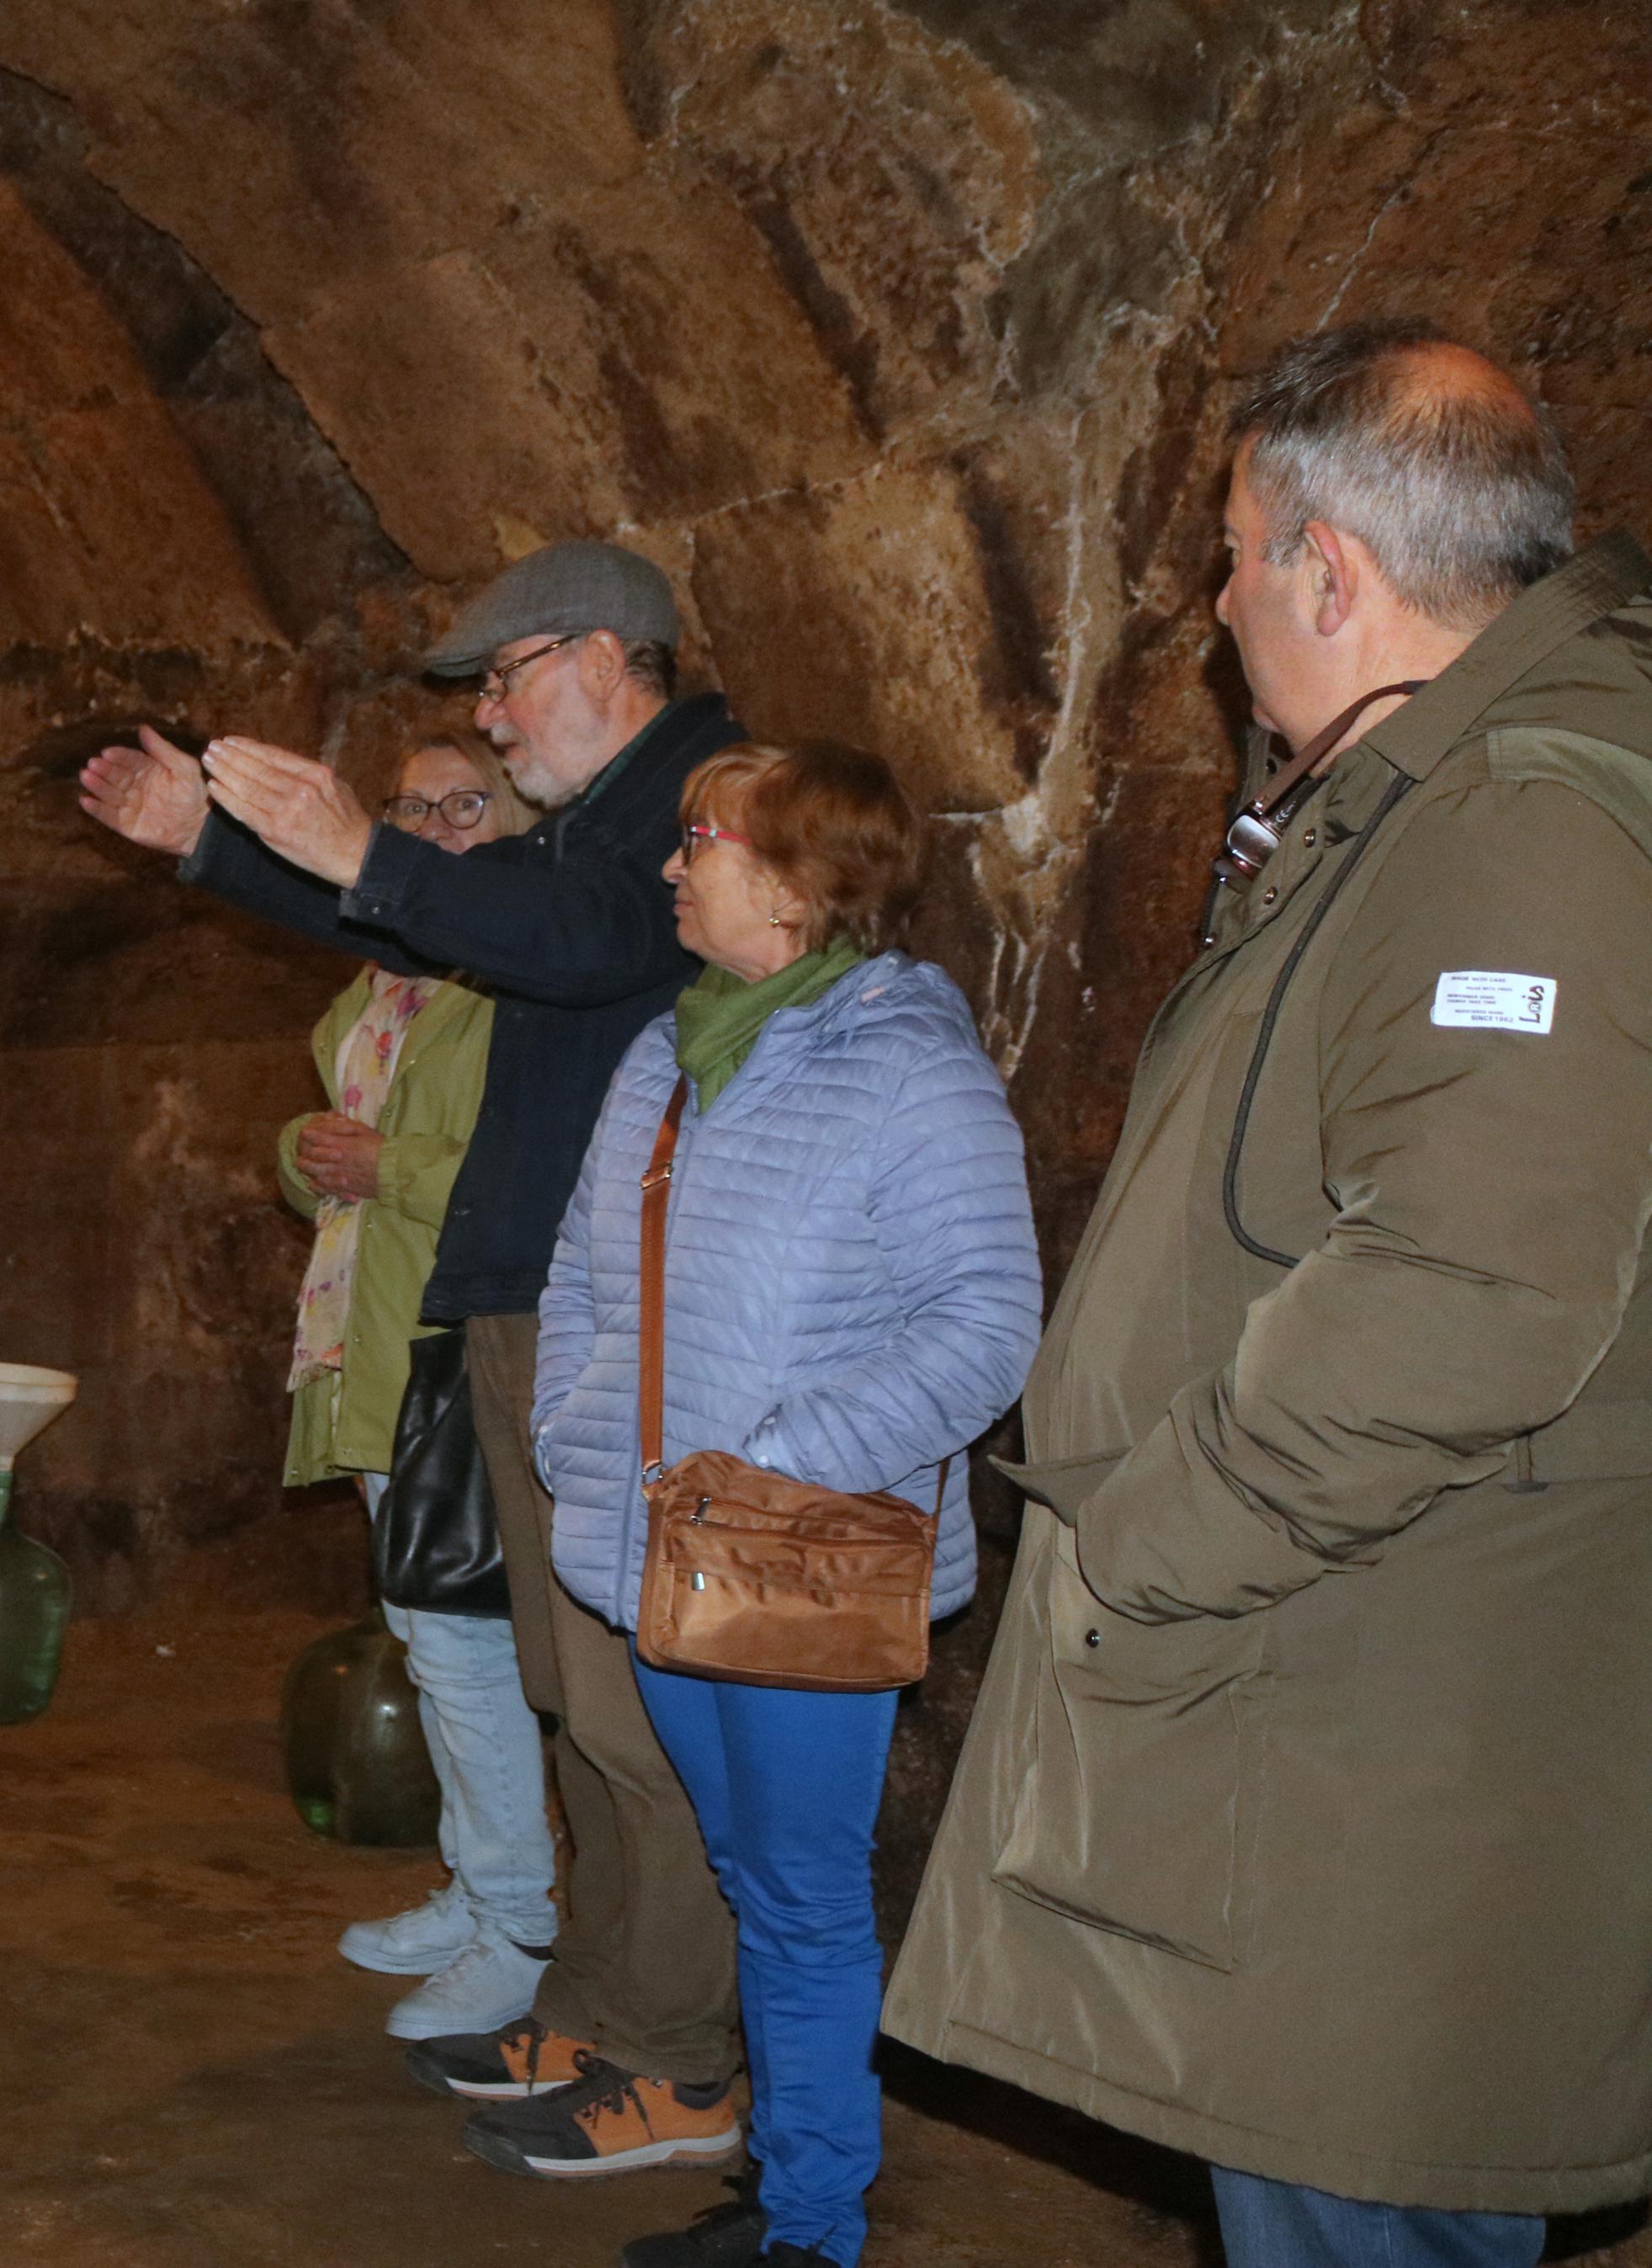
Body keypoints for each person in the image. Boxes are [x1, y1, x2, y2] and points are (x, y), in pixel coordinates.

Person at [887, 325, 1652, 2263]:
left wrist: (1147, 1534)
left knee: (1359, 2207)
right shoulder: (1413, 787)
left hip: (1375, 1724)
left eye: (1237, 550)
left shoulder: (1519, 830)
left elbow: (1466, 1285)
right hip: (1335, 1686)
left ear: (1333, 572)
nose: (1218, 602)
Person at [82, 541, 749, 2161]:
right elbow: (467, 928)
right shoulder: (603, 815)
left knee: (628, 1703)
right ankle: (602, 2004)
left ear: (602, 658)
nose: (496, 721)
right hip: (538, 1295)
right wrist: (216, 848)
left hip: (617, 1312)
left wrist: (361, 843)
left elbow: (578, 942)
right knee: (573, 1695)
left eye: (507, 681)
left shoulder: (693, 803)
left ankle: (684, 2060)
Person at [524, 745, 1038, 2261]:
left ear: (806, 881)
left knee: (802, 1895)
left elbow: (983, 1322)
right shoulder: (668, 1052)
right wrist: (574, 1430)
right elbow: (579, 1272)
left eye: (702, 843)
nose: (674, 868)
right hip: (668, 1554)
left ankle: (814, 2223)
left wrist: (780, 1462)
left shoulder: (908, 1069)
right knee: (753, 1878)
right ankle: (780, 2170)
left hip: (798, 1563)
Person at [277, 737, 561, 2039]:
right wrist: (306, 1151)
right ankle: (474, 1885)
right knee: (430, 1634)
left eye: (469, 803)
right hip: (374, 1337)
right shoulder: (388, 977)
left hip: (459, 1343)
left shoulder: (521, 984)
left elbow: (535, 1182)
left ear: (514, 823)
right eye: (415, 806)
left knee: (464, 1643)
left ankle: (520, 1920)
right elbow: (325, 1138)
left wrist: (379, 1166)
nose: (441, 827)